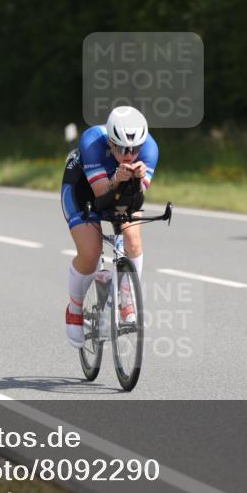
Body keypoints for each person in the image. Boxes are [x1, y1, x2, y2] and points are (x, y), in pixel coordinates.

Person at [60, 106, 159, 348]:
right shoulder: (93, 142)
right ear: (111, 143)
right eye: (123, 148)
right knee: (91, 252)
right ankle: (74, 308)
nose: (129, 154)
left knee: (132, 240)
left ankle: (127, 298)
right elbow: (101, 199)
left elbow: (134, 202)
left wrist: (136, 181)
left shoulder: (150, 149)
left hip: (121, 193)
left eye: (134, 149)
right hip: (83, 190)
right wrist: (116, 179)